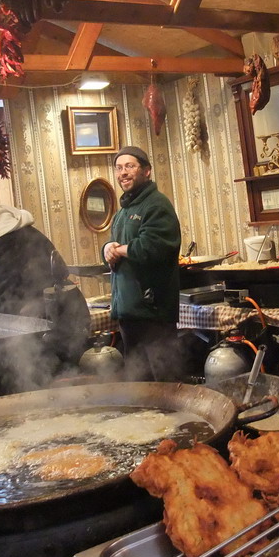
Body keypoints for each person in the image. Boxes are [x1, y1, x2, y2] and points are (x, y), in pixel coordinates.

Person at [103, 146, 182, 381]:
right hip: (128, 311)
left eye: (130, 166)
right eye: (118, 168)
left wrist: (120, 249)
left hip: (153, 311)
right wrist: (106, 248)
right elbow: (113, 245)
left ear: (146, 171)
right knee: (139, 383)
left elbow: (154, 247)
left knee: (166, 381)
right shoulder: (123, 211)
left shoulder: (157, 205)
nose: (123, 173)